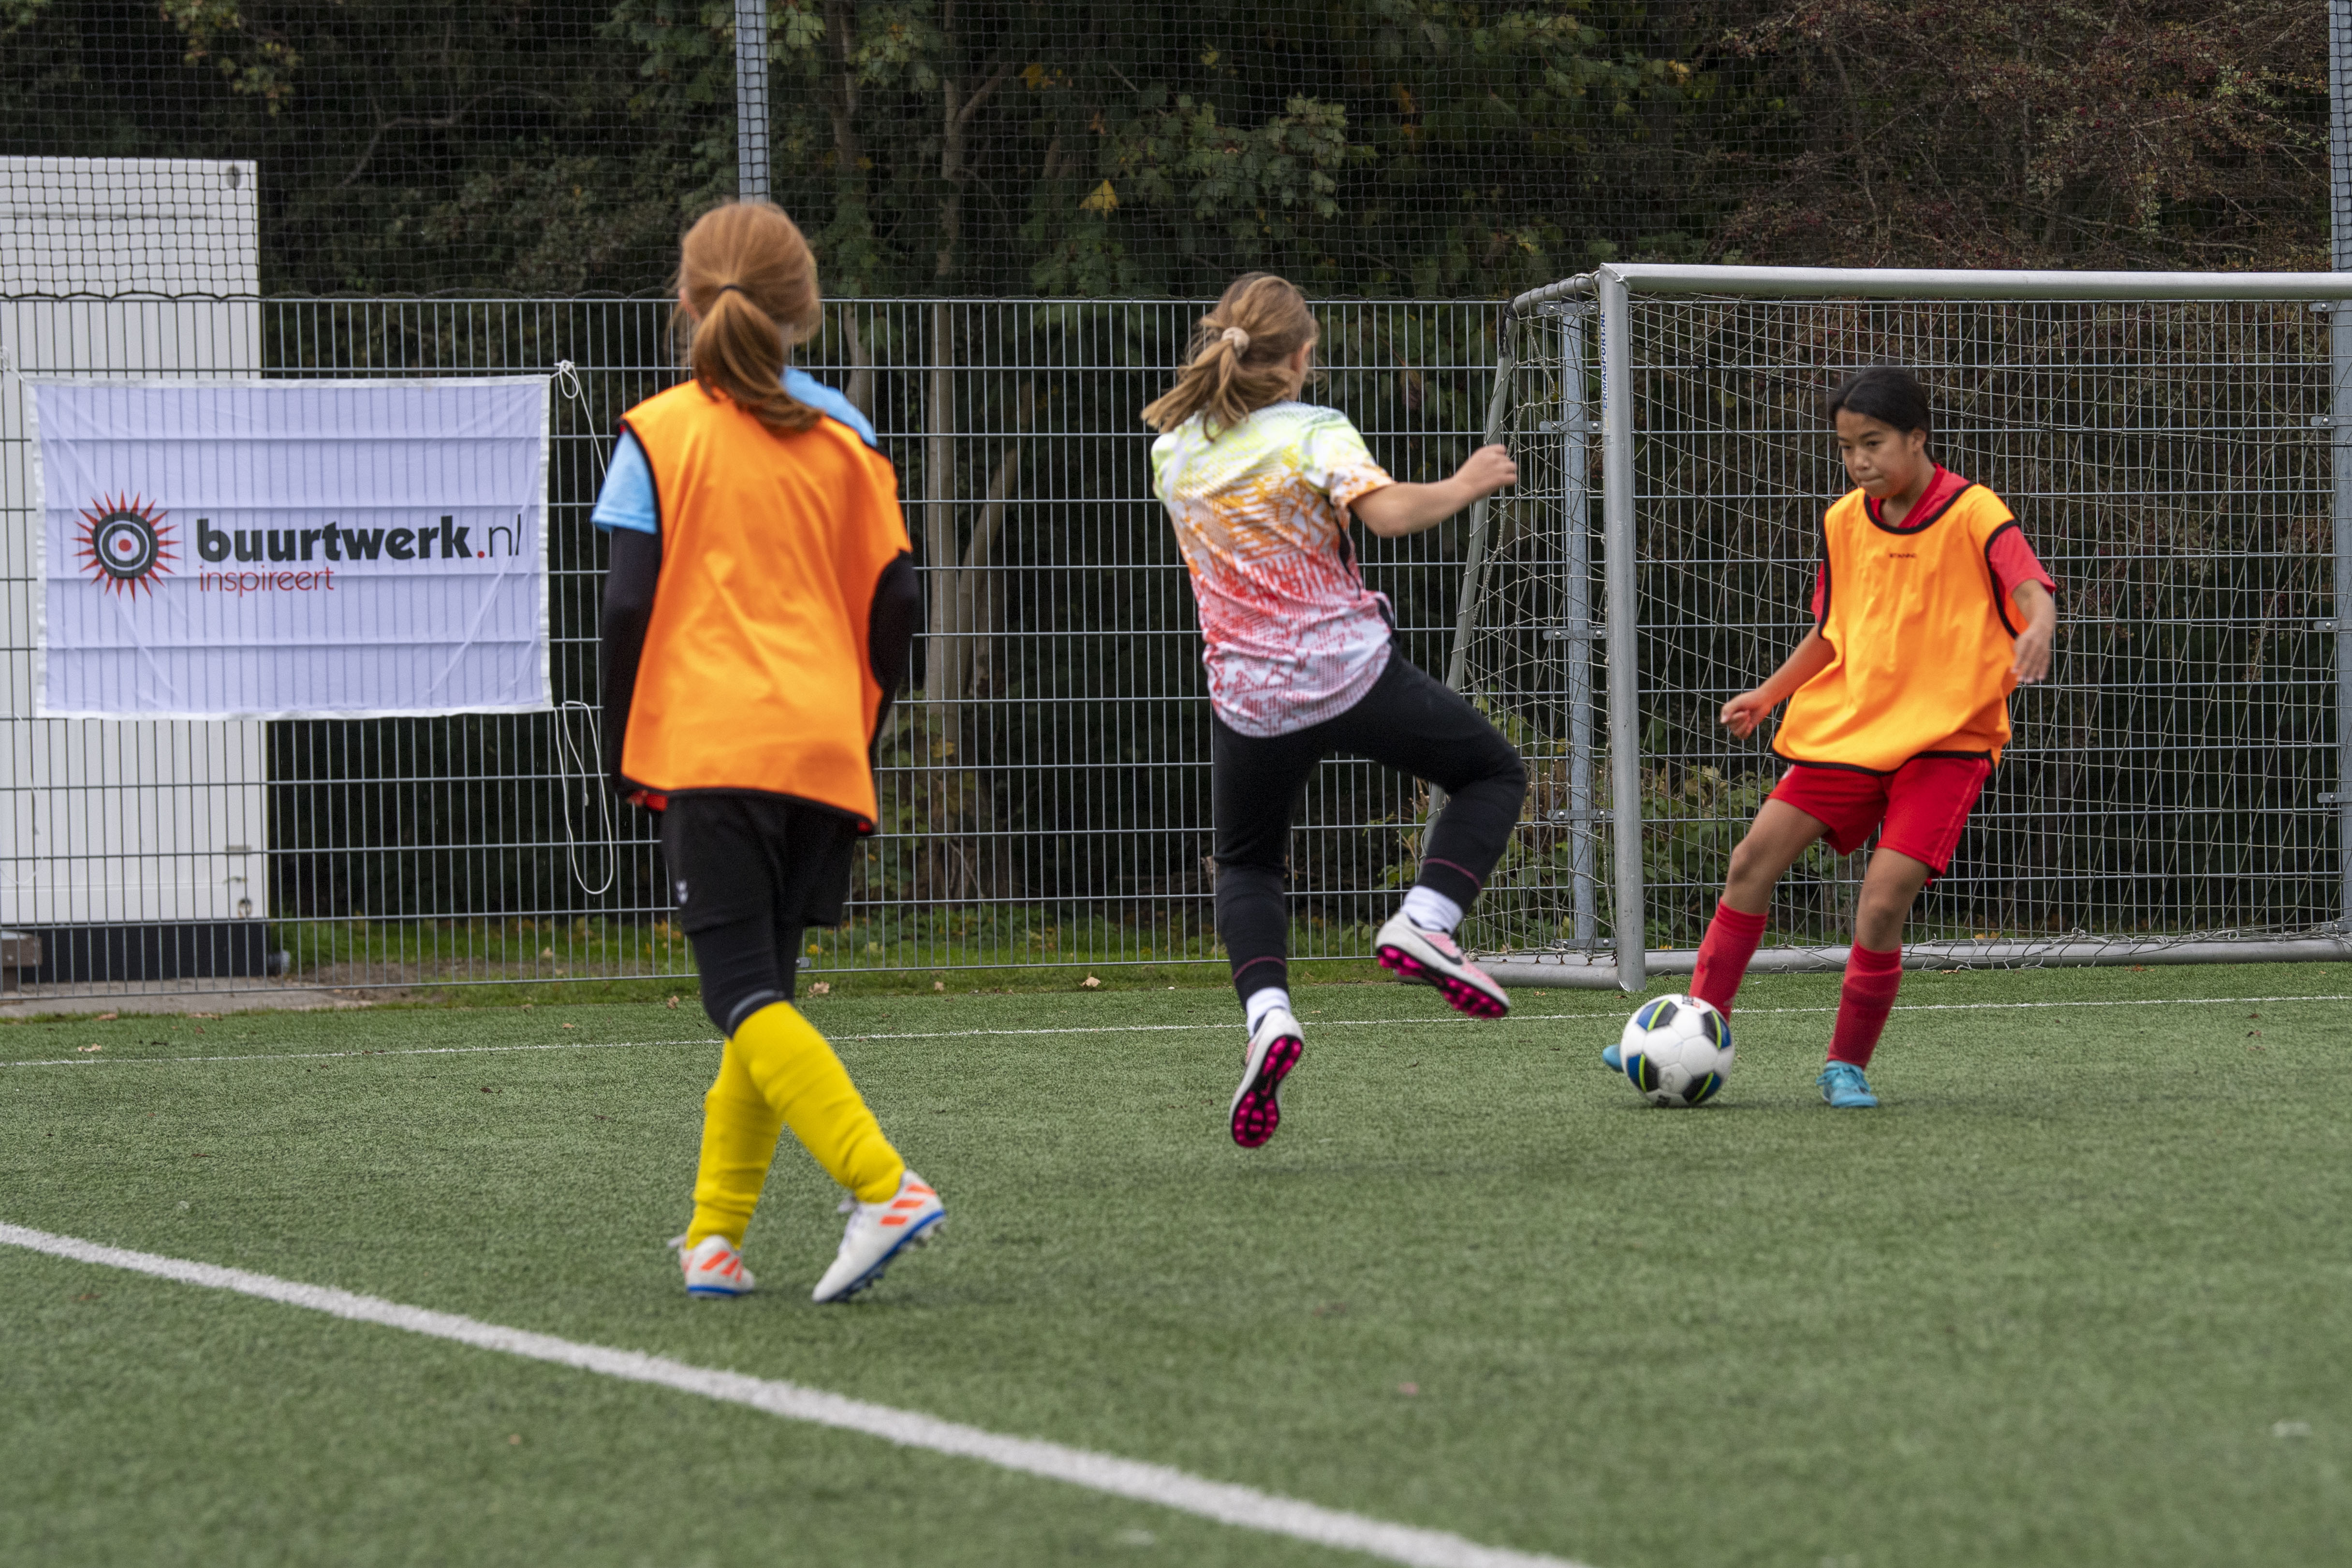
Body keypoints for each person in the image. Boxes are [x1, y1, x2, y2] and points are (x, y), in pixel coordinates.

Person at [593, 201, 941, 1300]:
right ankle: (713, 1238)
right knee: (763, 992)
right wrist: (858, 727)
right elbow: (898, 603)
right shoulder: (848, 434)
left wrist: (622, 745)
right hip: (821, 747)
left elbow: (624, 605)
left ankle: (881, 1182)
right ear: (803, 309)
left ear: (686, 301)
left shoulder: (659, 429)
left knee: (737, 992)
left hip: (713, 741)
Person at [1143, 273, 1529, 1149]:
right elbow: (1388, 517)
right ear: (1301, 357)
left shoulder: (1172, 451)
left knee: (1247, 865)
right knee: (1492, 772)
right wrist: (1469, 481)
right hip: (1348, 674)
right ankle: (1425, 922)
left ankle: (1270, 1017)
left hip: (1250, 699)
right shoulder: (1313, 431)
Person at [1606, 365, 2057, 1108]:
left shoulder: (1976, 512)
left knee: (1881, 904)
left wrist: (2037, 629)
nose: (1859, 461)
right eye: (1847, 447)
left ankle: (1845, 1064)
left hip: (1946, 741)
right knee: (1752, 859)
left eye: (1873, 443)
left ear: (1918, 437)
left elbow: (2031, 590)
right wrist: (1768, 694)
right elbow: (1830, 632)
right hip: (1849, 731)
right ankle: (1689, 1027)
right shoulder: (1844, 520)